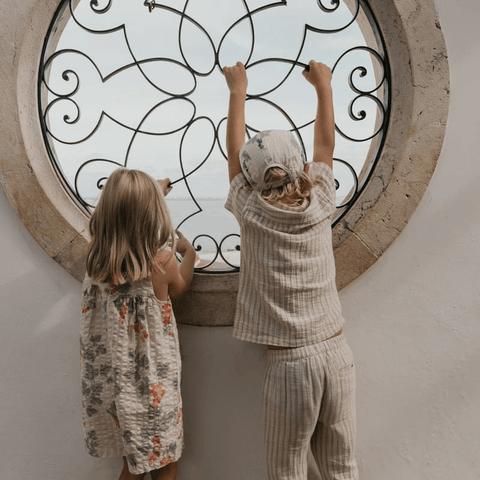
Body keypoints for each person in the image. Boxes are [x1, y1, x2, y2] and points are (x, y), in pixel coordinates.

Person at [223, 60, 358, 480]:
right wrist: (324, 87)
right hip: (336, 351)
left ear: (251, 176)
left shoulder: (251, 211)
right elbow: (326, 145)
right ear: (299, 165)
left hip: (290, 366)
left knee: (287, 471)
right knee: (342, 467)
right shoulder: (321, 201)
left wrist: (237, 90)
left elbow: (232, 156)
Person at [80, 168, 196, 480]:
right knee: (165, 464)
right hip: (151, 388)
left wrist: (151, 192)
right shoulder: (162, 262)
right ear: (152, 215)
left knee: (131, 467)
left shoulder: (96, 261)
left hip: (114, 387)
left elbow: (124, 213)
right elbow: (180, 288)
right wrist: (189, 253)